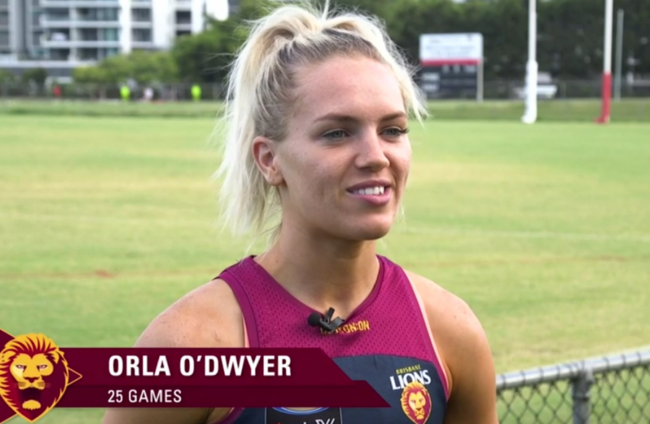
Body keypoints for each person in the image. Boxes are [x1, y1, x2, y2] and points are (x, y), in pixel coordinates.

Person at [102, 2, 498, 424]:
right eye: (337, 133)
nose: (376, 156)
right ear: (269, 159)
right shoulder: (191, 344)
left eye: (392, 130)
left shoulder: (448, 329)